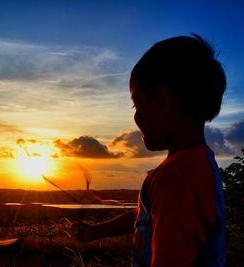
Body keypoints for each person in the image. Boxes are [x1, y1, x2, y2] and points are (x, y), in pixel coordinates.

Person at [71, 34, 226, 267]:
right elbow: (146, 213)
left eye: (137, 103)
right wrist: (96, 231)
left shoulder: (174, 179)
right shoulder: (200, 164)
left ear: (163, 101)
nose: (135, 116)